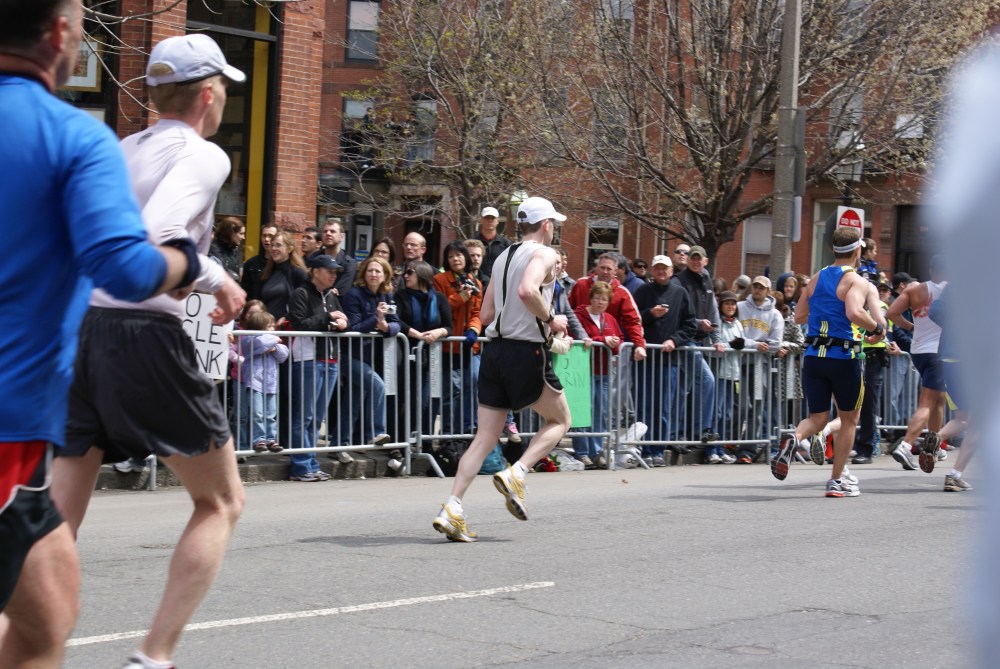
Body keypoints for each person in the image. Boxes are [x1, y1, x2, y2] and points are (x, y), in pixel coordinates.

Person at [0, 3, 199, 664]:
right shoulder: (74, 137)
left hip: (27, 444)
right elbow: (126, 265)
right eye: (83, 27)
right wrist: (191, 262)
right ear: (59, 35)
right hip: (7, 428)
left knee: (48, 615)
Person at [49, 33, 248, 669]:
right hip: (144, 331)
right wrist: (221, 281)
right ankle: (153, 656)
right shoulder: (203, 154)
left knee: (56, 516)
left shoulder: (121, 147)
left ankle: (20, 637)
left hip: (84, 326)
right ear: (209, 94)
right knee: (221, 501)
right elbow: (157, 233)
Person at [432, 196, 572, 542]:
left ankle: (453, 507)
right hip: (525, 352)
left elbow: (489, 314)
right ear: (546, 226)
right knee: (559, 421)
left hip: (494, 351)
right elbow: (527, 290)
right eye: (554, 224)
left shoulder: (502, 258)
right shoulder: (546, 254)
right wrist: (551, 318)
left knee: (484, 437)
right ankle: (518, 472)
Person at [770, 228, 886, 498]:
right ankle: (835, 481)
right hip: (842, 357)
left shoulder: (815, 278)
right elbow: (854, 311)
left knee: (818, 418)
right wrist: (876, 329)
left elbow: (798, 315)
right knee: (849, 420)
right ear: (857, 251)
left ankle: (795, 439)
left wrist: (823, 310)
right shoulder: (853, 280)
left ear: (833, 250)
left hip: (813, 357)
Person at [287, 254, 348, 481]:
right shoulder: (301, 293)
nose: (334, 275)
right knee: (304, 416)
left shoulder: (332, 295)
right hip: (308, 359)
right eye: (329, 271)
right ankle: (300, 466)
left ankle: (311, 463)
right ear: (315, 271)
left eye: (335, 271)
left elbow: (343, 318)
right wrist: (328, 317)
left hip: (330, 359)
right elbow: (300, 323)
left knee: (317, 417)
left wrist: (343, 323)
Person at [633, 255, 698, 465]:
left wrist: (674, 340)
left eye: (665, 268)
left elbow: (690, 324)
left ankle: (658, 450)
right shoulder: (642, 291)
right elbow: (633, 319)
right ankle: (645, 450)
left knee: (663, 407)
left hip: (667, 360)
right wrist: (651, 313)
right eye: (658, 268)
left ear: (671, 271)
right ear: (652, 270)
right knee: (644, 406)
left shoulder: (680, 293)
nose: (661, 271)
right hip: (644, 359)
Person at [885, 255, 948, 472]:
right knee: (928, 402)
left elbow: (892, 313)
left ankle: (934, 445)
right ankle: (905, 444)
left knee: (939, 400)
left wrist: (911, 327)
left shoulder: (915, 290)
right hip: (938, 351)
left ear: (931, 270)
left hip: (918, 350)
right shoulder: (952, 289)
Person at [340, 256, 398, 453]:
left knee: (353, 401)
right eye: (370, 270)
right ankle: (377, 432)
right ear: (364, 274)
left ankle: (340, 444)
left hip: (371, 357)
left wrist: (387, 326)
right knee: (377, 386)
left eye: (378, 271)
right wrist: (376, 318)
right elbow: (354, 327)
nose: (373, 274)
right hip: (351, 355)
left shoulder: (387, 295)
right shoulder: (354, 295)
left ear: (385, 276)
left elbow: (397, 323)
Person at [673, 245, 724, 443]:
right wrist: (697, 323)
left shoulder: (706, 280)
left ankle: (679, 434)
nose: (695, 261)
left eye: (698, 258)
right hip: (685, 341)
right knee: (707, 380)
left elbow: (713, 313)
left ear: (705, 261)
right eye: (692, 258)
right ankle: (701, 429)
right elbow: (679, 314)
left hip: (699, 342)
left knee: (682, 389)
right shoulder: (679, 281)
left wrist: (717, 339)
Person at [433, 241, 483, 438]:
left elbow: (477, 312)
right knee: (450, 391)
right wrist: (461, 296)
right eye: (451, 256)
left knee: (472, 385)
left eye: (459, 255)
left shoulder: (475, 283)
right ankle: (447, 434)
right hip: (447, 345)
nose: (455, 259)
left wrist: (473, 330)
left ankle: (468, 431)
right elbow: (441, 307)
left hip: (468, 345)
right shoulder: (440, 280)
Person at [571, 282, 623, 467]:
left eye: (605, 299)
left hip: (604, 373)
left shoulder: (609, 319)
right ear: (591, 298)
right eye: (598, 297)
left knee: (601, 412)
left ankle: (597, 452)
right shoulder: (578, 316)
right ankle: (582, 452)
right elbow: (578, 339)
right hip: (584, 372)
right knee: (583, 411)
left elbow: (620, 341)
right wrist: (602, 340)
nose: (601, 302)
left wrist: (614, 342)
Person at [238, 310, 288, 452]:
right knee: (257, 413)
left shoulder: (271, 339)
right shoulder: (248, 338)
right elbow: (259, 344)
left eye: (273, 326)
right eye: (269, 326)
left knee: (271, 414)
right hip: (254, 381)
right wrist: (273, 340)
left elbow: (284, 354)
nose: (273, 329)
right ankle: (258, 439)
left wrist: (272, 346)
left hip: (271, 382)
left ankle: (271, 439)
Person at [713, 292, 745, 463]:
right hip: (720, 373)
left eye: (733, 304)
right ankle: (713, 448)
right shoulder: (718, 322)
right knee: (717, 413)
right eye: (727, 304)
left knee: (726, 414)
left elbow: (744, 342)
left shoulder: (738, 324)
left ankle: (721, 447)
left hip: (734, 375)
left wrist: (760, 345)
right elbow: (716, 346)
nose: (730, 307)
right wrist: (729, 345)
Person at [240, 222, 278, 300]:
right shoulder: (251, 264)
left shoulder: (282, 264)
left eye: (270, 236)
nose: (266, 239)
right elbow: (245, 291)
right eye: (264, 236)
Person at [320, 219, 357, 296]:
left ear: (342, 236)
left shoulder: (349, 264)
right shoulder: (314, 259)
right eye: (325, 231)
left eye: (332, 231)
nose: (328, 233)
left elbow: (341, 291)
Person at [476, 205, 512, 284]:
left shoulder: (506, 244)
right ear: (481, 220)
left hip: (499, 286)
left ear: (497, 221)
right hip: (477, 286)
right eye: (487, 218)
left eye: (492, 218)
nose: (490, 220)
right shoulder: (474, 243)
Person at [209, 216, 245, 282]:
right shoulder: (212, 250)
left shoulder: (236, 251)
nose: (243, 237)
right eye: (241, 234)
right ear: (231, 233)